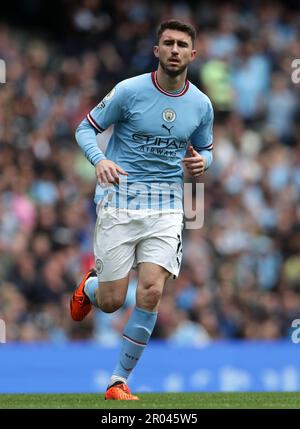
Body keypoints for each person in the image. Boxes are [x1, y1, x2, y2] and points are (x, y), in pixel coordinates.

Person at [70, 19, 214, 400]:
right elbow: (84, 129)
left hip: (166, 207)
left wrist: (205, 163)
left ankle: (118, 381)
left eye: (182, 45)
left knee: (150, 292)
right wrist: (99, 160)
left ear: (193, 54)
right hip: (120, 202)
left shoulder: (201, 104)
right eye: (168, 43)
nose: (175, 50)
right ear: (157, 50)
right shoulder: (129, 91)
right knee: (113, 301)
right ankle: (91, 286)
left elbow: (207, 148)